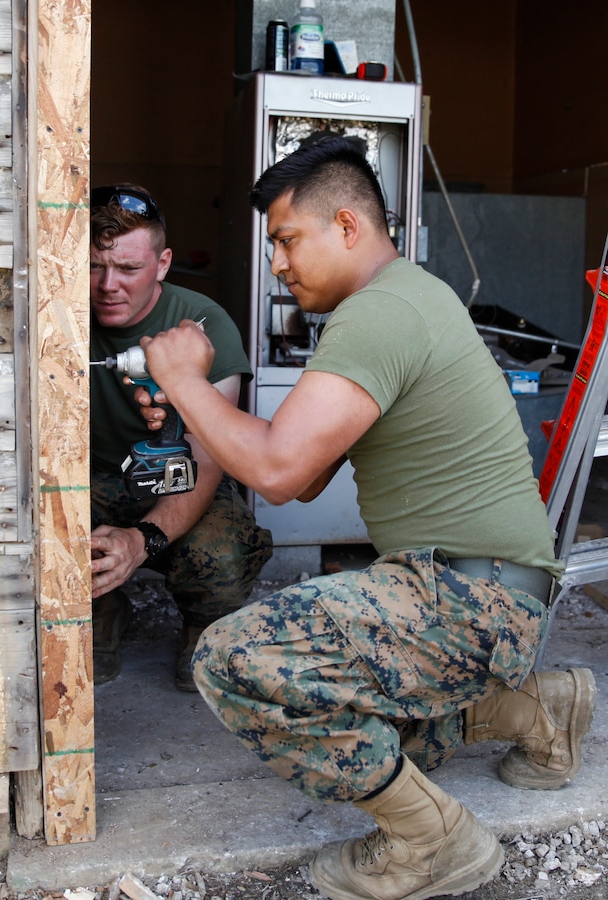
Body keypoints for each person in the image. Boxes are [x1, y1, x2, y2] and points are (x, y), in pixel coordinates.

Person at [132, 139, 596, 900]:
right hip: (484, 591)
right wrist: (193, 402)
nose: (277, 263)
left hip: (466, 598)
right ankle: (535, 709)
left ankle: (435, 843)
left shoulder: (378, 314)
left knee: (238, 662)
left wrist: (185, 381)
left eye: (286, 240)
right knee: (357, 723)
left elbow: (277, 472)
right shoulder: (402, 299)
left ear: (346, 226)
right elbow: (301, 476)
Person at [89, 184, 273, 690]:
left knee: (222, 550)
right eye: (95, 266)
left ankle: (205, 629)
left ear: (163, 263)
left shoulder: (205, 324)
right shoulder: (56, 317)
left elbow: (208, 455)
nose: (108, 285)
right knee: (53, 523)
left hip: (182, 476)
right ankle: (100, 613)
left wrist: (140, 540)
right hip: (97, 479)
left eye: (129, 269)